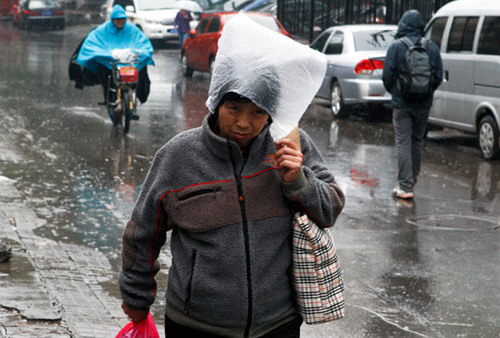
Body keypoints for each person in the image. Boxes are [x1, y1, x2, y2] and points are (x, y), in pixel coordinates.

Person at [118, 14, 345, 337]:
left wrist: (298, 180)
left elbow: (330, 208)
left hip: (277, 323)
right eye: (234, 109)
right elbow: (142, 233)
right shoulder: (178, 157)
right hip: (196, 324)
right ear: (216, 103)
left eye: (257, 112)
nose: (244, 123)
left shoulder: (290, 143)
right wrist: (136, 295)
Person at [382, 9, 443, 200]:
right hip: (423, 104)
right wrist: (426, 92)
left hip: (402, 104)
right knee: (417, 141)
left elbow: (387, 76)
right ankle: (411, 182)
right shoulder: (431, 46)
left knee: (403, 142)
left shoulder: (396, 46)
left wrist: (397, 92)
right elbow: (438, 76)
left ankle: (405, 186)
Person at [74, 5, 154, 116]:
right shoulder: (103, 30)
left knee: (141, 76)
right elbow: (92, 43)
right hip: (111, 65)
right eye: (117, 19)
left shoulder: (132, 30)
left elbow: (143, 43)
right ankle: (109, 100)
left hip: (129, 65)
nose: (120, 22)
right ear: (112, 20)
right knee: (105, 75)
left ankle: (135, 97)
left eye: (122, 19)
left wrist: (141, 53)